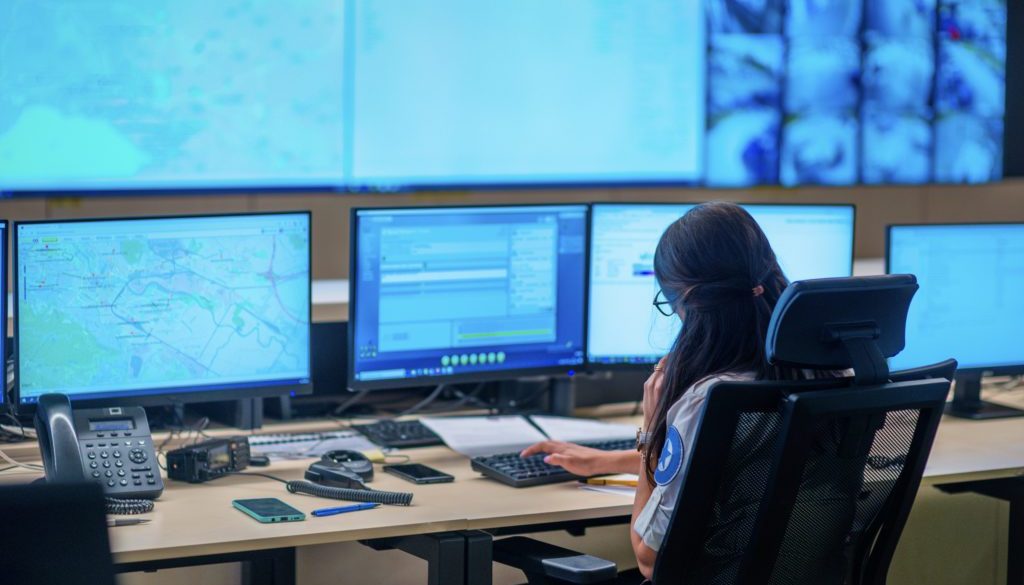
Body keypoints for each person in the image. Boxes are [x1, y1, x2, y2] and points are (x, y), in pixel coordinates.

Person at [521, 201, 842, 579]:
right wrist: (607, 461)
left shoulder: (706, 400)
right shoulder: (834, 374)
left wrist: (652, 436)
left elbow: (649, 558)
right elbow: (741, 461)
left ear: (687, 299)